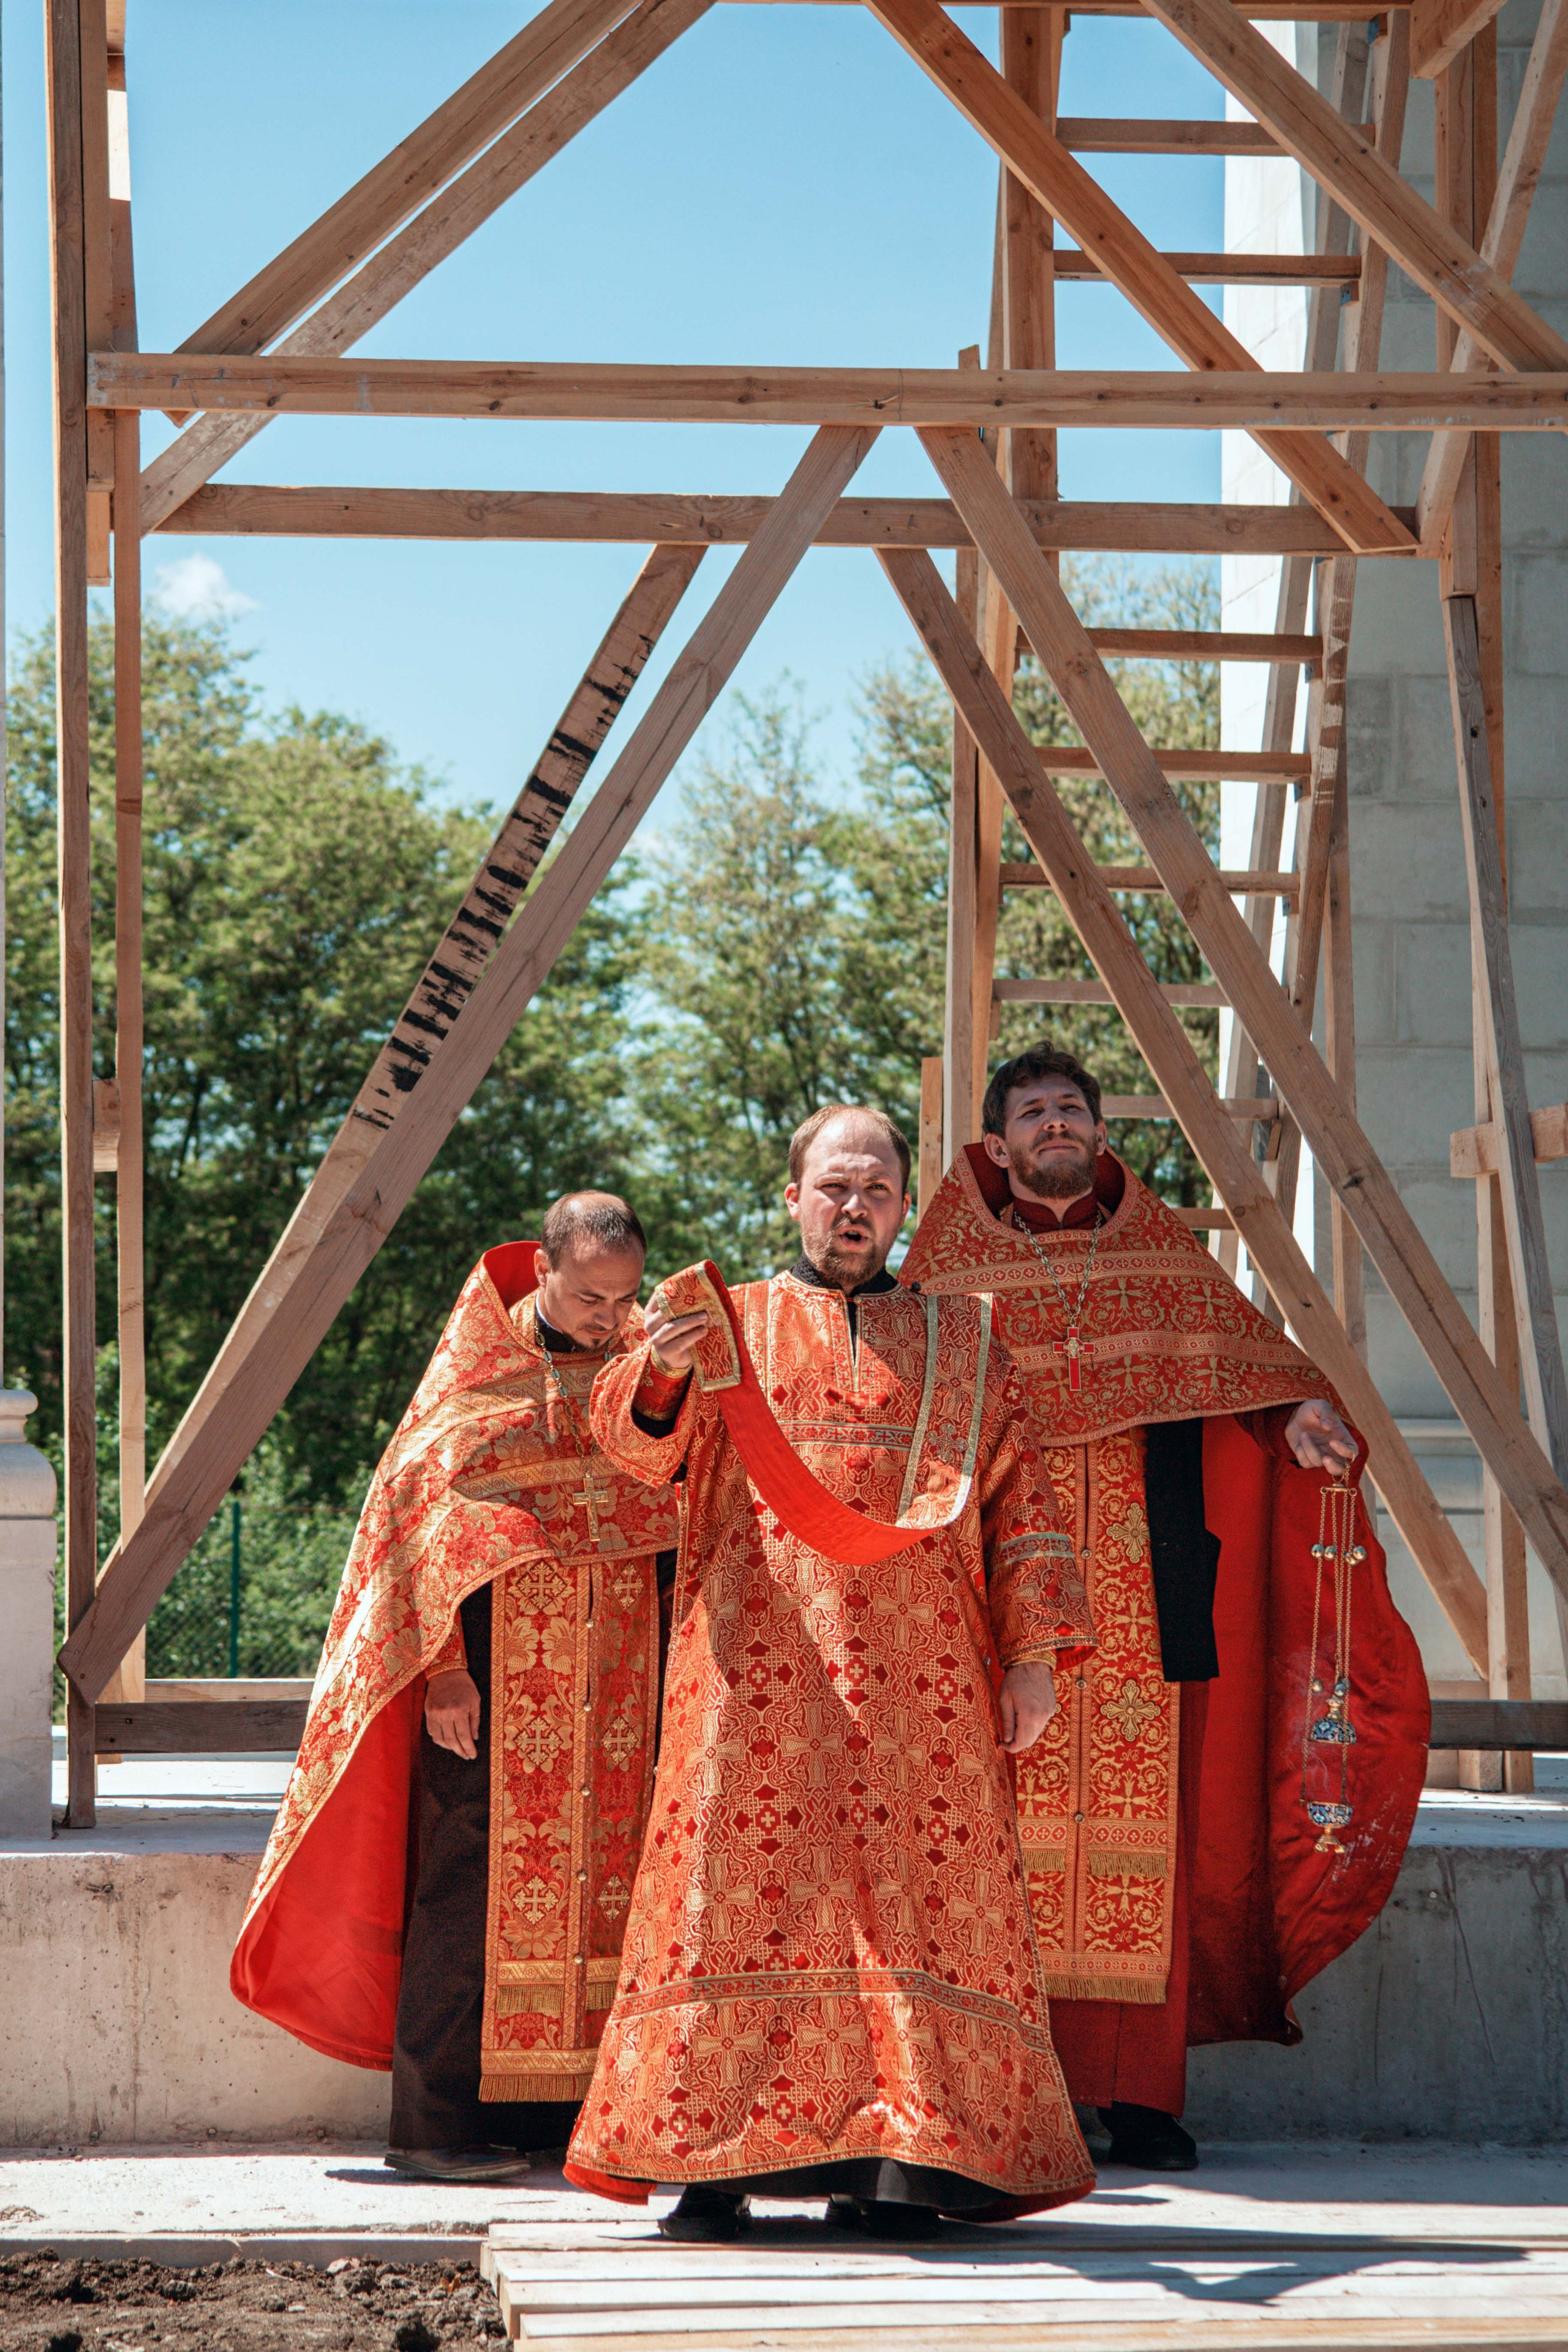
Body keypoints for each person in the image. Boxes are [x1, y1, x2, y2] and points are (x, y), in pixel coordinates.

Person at [564, 1106, 1099, 2241]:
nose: (854, 1208)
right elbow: (630, 1449)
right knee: (729, 1903)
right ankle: (711, 2171)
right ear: (792, 1195)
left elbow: (1025, 1507)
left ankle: (898, 2166)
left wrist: (1038, 1659)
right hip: (751, 1675)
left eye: (878, 1191)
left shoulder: (967, 1338)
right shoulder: (726, 1325)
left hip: (931, 1683)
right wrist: (656, 1374)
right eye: (834, 1187)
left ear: (906, 1206)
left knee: (916, 1916)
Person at [902, 1044, 1428, 2171]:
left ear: (1098, 1133)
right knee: (1008, 1848)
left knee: (1141, 1843)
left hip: (1142, 1597)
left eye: (1073, 1109)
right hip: (999, 1601)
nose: (1057, 1125)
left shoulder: (1156, 1250)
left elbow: (1238, 1367)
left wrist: (1288, 1421)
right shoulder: (945, 1265)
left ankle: (1137, 2094)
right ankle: (1019, 2086)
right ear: (996, 1146)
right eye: (1034, 1112)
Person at [231, 1193, 679, 2185]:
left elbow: (684, 1489)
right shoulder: (477, 1374)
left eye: (626, 1296)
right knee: (466, 1887)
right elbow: (415, 1527)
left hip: (621, 1681)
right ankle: (433, 2130)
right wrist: (444, 1674)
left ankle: (571, 2125)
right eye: (594, 1297)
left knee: (618, 1894)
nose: (613, 1318)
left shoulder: (647, 1364)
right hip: (491, 1681)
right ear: (545, 1271)